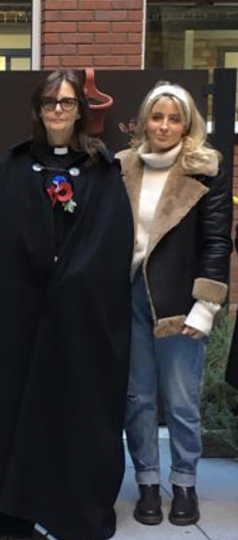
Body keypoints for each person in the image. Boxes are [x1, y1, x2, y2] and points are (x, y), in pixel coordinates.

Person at [0, 69, 133, 540]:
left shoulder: (102, 169)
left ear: (80, 109)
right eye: (50, 103)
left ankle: (63, 504)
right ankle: (4, 505)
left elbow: (110, 240)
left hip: (76, 318)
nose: (58, 111)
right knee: (11, 401)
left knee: (69, 407)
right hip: (18, 315)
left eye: (67, 102)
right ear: (38, 110)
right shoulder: (14, 167)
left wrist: (71, 281)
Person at [119, 82, 231, 527]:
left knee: (181, 402)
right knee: (137, 398)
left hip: (179, 304)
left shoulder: (207, 168)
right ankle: (148, 482)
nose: (164, 126)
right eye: (157, 116)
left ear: (188, 124)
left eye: (175, 118)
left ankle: (184, 483)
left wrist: (206, 305)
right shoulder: (122, 166)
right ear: (145, 119)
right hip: (127, 300)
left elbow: (217, 241)